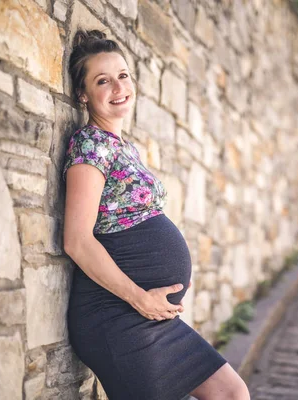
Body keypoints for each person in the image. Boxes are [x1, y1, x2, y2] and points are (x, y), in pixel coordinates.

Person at [62, 30, 250, 400]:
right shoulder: (90, 145)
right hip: (117, 316)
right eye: (103, 80)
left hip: (146, 315)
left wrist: (173, 272)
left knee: (232, 393)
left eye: (123, 75)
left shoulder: (122, 147)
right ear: (84, 95)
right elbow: (77, 241)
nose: (118, 86)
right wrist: (139, 297)